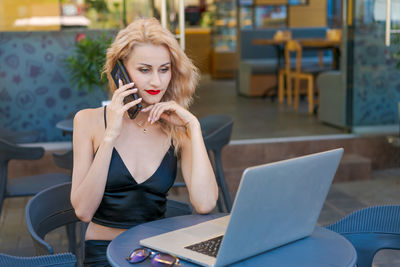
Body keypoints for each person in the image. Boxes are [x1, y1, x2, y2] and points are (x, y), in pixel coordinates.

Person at [70, 17, 218, 266]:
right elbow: (83, 211)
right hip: (103, 254)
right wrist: (110, 136)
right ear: (120, 71)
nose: (156, 82)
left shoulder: (176, 127)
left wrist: (194, 127)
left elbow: (205, 203)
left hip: (157, 253)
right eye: (144, 69)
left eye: (164, 69)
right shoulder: (87, 121)